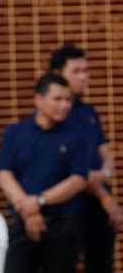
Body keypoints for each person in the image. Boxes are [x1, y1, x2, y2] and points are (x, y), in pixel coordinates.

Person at [0, 74, 90, 273]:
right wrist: (28, 209)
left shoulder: (77, 135)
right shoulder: (15, 132)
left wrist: (39, 201)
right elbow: (5, 174)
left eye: (68, 100)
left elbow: (79, 179)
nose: (65, 105)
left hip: (63, 226)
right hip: (23, 222)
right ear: (38, 99)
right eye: (58, 99)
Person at [49, 45, 123, 273]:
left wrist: (104, 175)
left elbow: (105, 152)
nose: (84, 77)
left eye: (86, 71)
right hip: (69, 201)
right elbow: (73, 170)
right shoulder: (56, 114)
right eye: (76, 71)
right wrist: (106, 198)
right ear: (59, 73)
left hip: (97, 199)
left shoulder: (88, 111)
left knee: (101, 262)